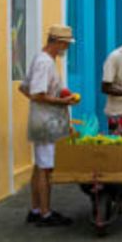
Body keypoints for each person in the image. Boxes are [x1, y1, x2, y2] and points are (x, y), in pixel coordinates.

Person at [23, 25, 79, 227]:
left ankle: (36, 209)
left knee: (40, 166)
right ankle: (45, 214)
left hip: (44, 119)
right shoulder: (44, 63)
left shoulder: (44, 60)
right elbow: (37, 94)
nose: (66, 48)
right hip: (45, 123)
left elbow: (25, 88)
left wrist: (59, 94)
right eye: (65, 44)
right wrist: (61, 102)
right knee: (45, 168)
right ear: (57, 42)